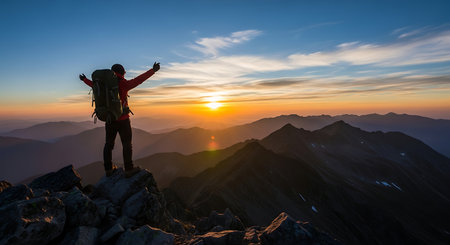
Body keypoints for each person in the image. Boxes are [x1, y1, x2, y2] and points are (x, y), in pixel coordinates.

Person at [79, 62, 160, 177]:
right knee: (127, 144)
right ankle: (129, 169)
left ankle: (108, 170)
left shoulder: (103, 84)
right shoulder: (123, 84)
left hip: (110, 119)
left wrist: (84, 79)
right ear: (122, 72)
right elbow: (139, 80)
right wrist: (153, 70)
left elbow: (93, 85)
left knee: (108, 144)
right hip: (123, 120)